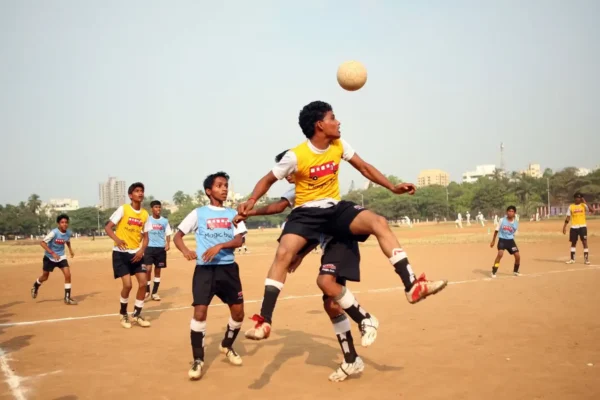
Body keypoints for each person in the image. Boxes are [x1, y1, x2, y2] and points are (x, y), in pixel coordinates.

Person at [238, 100, 447, 341]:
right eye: (332, 118)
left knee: (378, 222)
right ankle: (264, 321)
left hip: (334, 209)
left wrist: (392, 187)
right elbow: (267, 180)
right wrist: (252, 201)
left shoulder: (339, 144)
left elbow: (364, 168)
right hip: (306, 213)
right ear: (320, 124)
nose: (338, 122)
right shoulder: (295, 155)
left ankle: (412, 285)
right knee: (284, 254)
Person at [235, 150, 378, 381]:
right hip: (329, 245)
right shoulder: (300, 190)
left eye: (289, 171)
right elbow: (309, 225)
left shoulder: (312, 184)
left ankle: (365, 319)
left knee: (326, 283)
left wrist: (250, 211)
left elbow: (280, 208)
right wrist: (301, 253)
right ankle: (351, 359)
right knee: (330, 305)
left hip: (341, 241)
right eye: (285, 174)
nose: (287, 177)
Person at [173, 172, 248, 381]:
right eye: (219, 185)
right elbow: (178, 236)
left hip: (228, 269)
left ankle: (227, 345)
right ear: (209, 191)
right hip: (205, 270)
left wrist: (220, 246)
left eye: (226, 185)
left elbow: (240, 240)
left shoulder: (233, 214)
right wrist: (186, 251)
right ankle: (198, 359)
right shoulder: (198, 213)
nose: (224, 189)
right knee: (199, 313)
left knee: (239, 314)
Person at [105, 182, 151, 329]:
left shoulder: (145, 214)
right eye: (137, 191)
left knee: (143, 283)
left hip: (136, 253)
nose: (140, 193)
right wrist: (117, 240)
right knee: (128, 285)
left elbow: (146, 237)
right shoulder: (123, 209)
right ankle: (123, 313)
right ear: (130, 195)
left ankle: (136, 314)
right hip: (121, 254)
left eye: (142, 191)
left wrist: (141, 250)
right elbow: (108, 227)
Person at [31, 214, 77, 305]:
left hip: (61, 257)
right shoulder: (54, 233)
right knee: (45, 277)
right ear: (58, 224)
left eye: (66, 222)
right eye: (62, 222)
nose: (64, 224)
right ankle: (36, 285)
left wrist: (70, 250)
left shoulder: (68, 233)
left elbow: (67, 241)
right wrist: (52, 253)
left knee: (68, 275)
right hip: (49, 257)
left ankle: (67, 298)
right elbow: (42, 243)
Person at [143, 200, 172, 301]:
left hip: (160, 249)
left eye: (159, 207)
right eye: (156, 207)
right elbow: (143, 233)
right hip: (149, 247)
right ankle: (147, 290)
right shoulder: (147, 220)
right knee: (148, 269)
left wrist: (168, 243)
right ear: (151, 209)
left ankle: (154, 293)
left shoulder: (164, 221)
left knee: (158, 270)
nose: (158, 209)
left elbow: (168, 233)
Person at [489, 206, 520, 278]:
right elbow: (496, 230)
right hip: (502, 240)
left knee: (517, 256)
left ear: (514, 213)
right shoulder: (502, 220)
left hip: (510, 241)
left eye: (512, 211)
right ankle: (494, 271)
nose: (510, 213)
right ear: (507, 212)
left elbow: (514, 233)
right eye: (509, 211)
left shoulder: (516, 223)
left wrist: (511, 240)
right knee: (500, 254)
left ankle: (516, 271)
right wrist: (493, 241)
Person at [563, 192, 593, 265]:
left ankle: (586, 259)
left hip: (582, 226)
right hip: (574, 227)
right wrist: (564, 227)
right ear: (574, 198)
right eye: (576, 198)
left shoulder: (583, 205)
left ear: (581, 199)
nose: (577, 199)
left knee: (584, 242)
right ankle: (572, 259)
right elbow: (568, 217)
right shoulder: (571, 207)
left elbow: (592, 210)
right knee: (573, 243)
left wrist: (585, 202)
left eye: (579, 198)